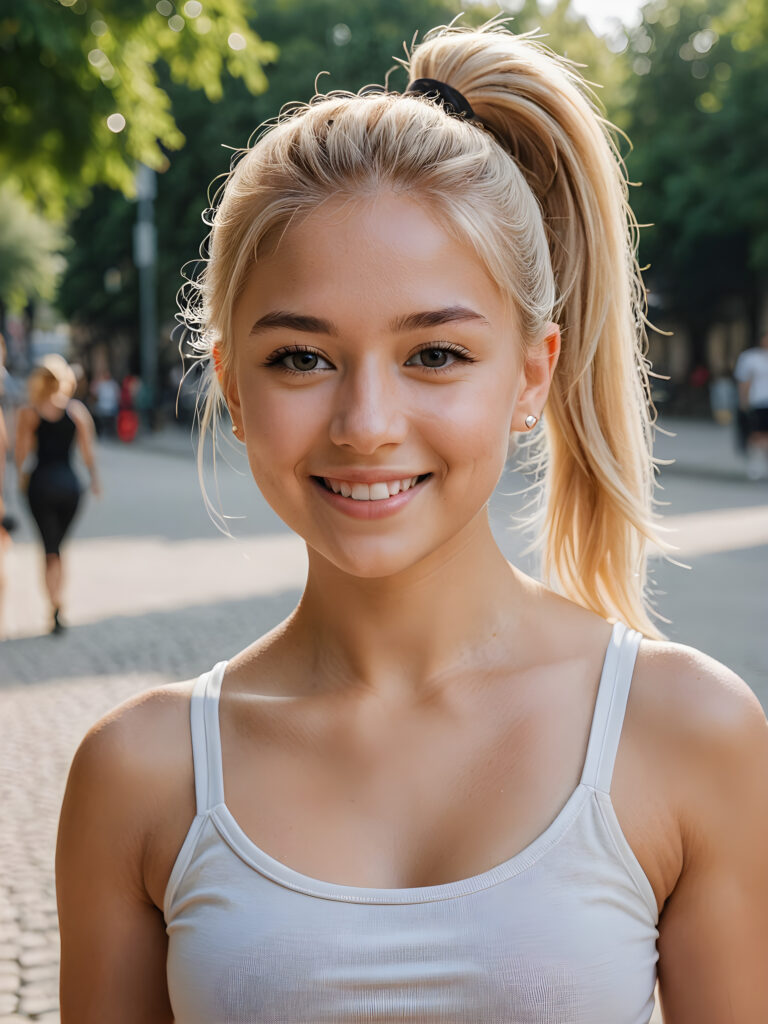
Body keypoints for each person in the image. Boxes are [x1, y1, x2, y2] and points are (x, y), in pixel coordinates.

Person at [56, 21, 768, 1024]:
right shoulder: (138, 775)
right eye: (302, 357)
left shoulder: (689, 731)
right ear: (231, 383)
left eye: (434, 354)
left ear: (532, 374)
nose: (366, 425)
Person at [15, 354, 100, 633]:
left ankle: (53, 606)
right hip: (70, 487)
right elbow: (88, 453)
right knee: (58, 549)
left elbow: (22, 454)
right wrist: (95, 480)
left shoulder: (30, 412)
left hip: (41, 485)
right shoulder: (76, 412)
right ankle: (58, 603)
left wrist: (20, 478)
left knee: (49, 550)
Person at [734, 330, 768, 480]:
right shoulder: (750, 357)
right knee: (757, 435)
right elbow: (744, 382)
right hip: (758, 402)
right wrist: (743, 402)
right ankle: (756, 466)